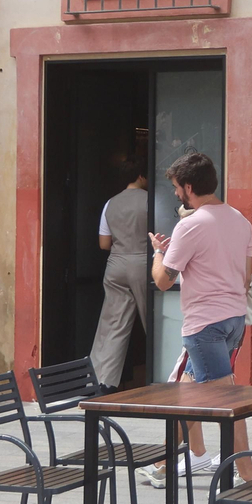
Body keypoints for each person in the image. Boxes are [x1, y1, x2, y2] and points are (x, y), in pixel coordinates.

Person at [147, 151, 252, 484]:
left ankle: (248, 475)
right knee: (187, 394)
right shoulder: (241, 221)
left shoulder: (189, 225)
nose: (177, 194)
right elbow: (244, 278)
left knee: (228, 399)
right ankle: (181, 459)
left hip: (204, 326)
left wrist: (159, 254)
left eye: (178, 188)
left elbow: (163, 280)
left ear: (189, 187)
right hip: (235, 321)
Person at [89, 160, 148, 393]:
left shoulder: (110, 203)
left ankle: (103, 382)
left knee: (113, 325)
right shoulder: (151, 200)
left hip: (116, 264)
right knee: (153, 321)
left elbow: (104, 243)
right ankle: (168, 378)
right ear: (141, 176)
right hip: (144, 263)